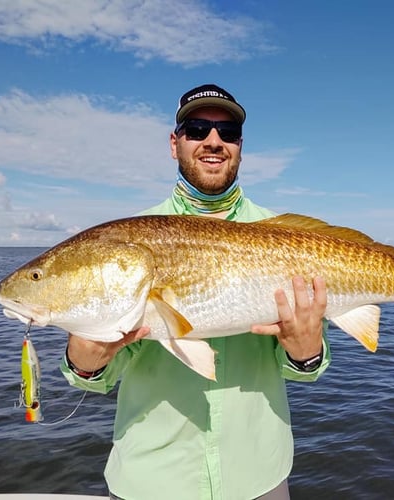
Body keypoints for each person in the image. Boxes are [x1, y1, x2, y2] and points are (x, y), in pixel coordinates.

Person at [61, 84, 331, 500]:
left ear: (240, 147)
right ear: (175, 143)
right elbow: (96, 379)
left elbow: (308, 367)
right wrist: (85, 363)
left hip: (258, 477)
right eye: (197, 128)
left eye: (227, 133)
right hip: (151, 480)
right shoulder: (127, 239)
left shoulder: (285, 235)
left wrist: (306, 351)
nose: (213, 141)